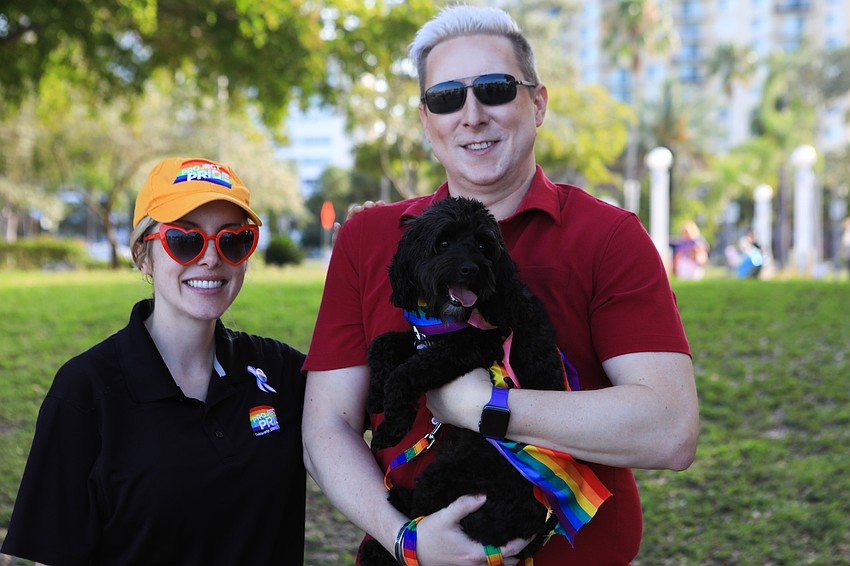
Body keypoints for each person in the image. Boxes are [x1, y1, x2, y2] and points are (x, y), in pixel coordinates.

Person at [302, 5, 699, 565]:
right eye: (446, 97)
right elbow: (326, 429)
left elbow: (670, 429)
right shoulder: (369, 237)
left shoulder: (610, 237)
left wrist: (487, 406)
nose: (472, 115)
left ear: (537, 104)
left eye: (494, 89)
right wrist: (407, 540)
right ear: (426, 120)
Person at [1, 157, 306, 565]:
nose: (212, 258)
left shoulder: (279, 372)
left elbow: (377, 401)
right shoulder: (85, 392)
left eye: (233, 239)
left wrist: (365, 255)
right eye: (185, 239)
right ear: (143, 256)